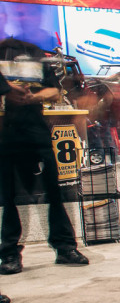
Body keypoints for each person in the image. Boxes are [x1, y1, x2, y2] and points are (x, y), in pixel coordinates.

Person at [0, 37, 89, 275]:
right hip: (6, 135)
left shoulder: (36, 56)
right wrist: (8, 92)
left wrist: (32, 96)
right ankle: (9, 252)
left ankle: (65, 248)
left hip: (36, 133)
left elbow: (54, 90)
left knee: (54, 193)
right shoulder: (2, 54)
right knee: (8, 198)